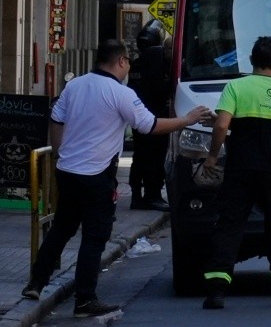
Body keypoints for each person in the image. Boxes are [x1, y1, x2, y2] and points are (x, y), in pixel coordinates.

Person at [21, 39, 210, 318]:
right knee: (94, 238)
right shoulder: (121, 93)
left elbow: (56, 118)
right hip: (96, 175)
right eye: (128, 63)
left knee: (62, 227)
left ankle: (36, 282)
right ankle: (85, 299)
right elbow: (150, 126)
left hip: (68, 172)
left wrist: (61, 153)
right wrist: (189, 118)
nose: (128, 68)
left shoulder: (74, 85)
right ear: (121, 61)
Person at [201, 36, 271, 309]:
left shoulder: (235, 87)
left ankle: (216, 290)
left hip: (240, 168)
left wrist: (212, 156)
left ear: (250, 60)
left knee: (229, 224)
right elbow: (265, 126)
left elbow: (224, 126)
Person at [127, 20, 171, 210]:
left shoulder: (137, 62)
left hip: (138, 115)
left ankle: (137, 195)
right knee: (155, 156)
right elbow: (160, 88)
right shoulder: (157, 58)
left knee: (140, 156)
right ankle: (152, 195)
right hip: (156, 116)